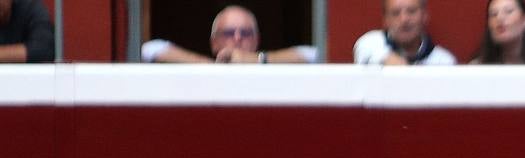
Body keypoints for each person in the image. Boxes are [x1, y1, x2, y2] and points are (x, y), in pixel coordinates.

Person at [141, 5, 317, 64]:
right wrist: (211, 66)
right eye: (229, 33)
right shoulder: (201, 72)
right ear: (214, 42)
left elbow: (314, 54)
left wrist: (256, 60)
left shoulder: (266, 71)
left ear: (257, 40)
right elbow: (150, 49)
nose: (238, 38)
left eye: (246, 33)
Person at [355, 0, 456, 65]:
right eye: (395, 13)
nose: (404, 19)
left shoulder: (443, 61)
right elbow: (362, 47)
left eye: (411, 11)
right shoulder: (370, 42)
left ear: (425, 15)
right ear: (386, 20)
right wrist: (385, 59)